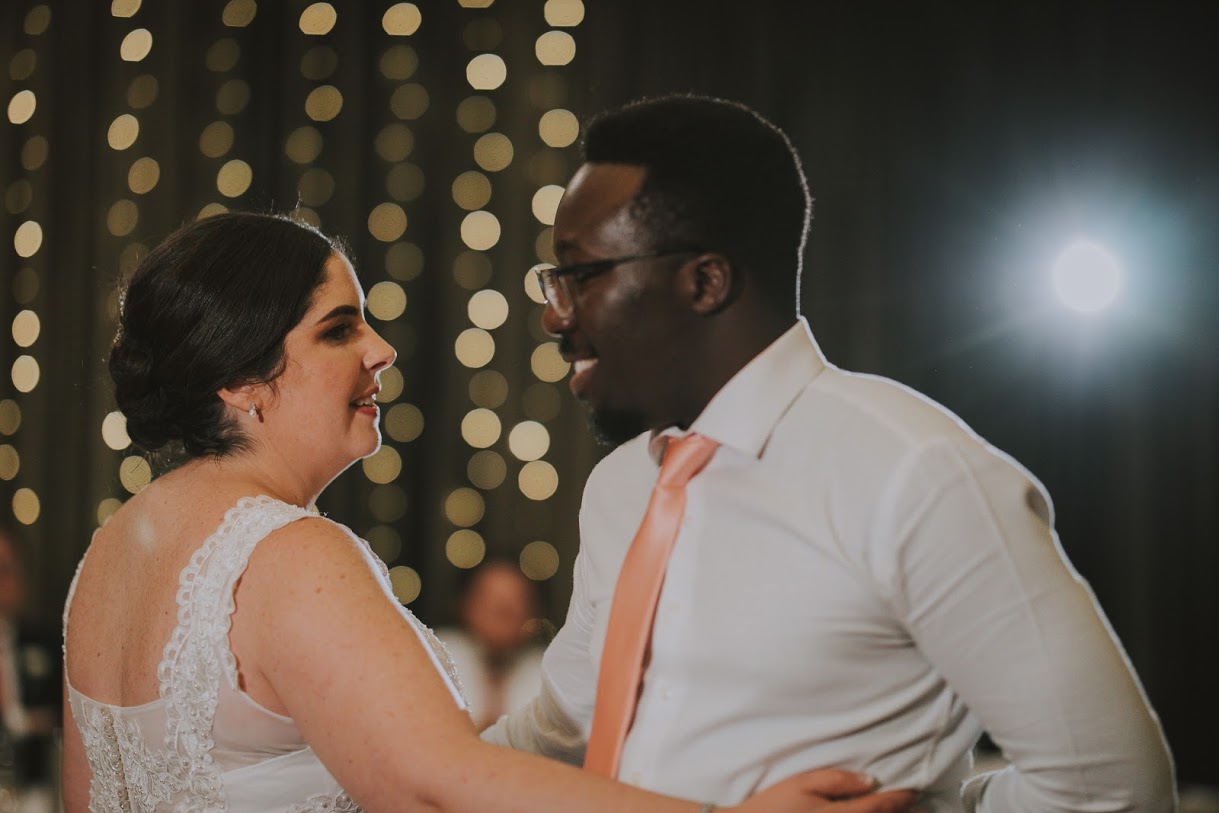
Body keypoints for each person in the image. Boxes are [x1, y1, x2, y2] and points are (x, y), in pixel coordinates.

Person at [60, 211, 918, 813]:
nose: (381, 349)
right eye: (339, 329)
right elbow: (438, 790)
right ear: (242, 379)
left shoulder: (111, 553)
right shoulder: (287, 553)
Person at [483, 95, 1177, 811]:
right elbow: (563, 733)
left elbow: (1113, 788)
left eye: (579, 275)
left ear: (704, 281)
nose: (553, 315)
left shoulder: (915, 473)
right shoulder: (619, 487)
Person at [436, 560, 546, 730]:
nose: (501, 611)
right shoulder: (437, 654)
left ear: (532, 611)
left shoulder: (547, 671)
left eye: (513, 602)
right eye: (490, 599)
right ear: (466, 604)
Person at [0, 523, 59, 813]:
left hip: (33, 789)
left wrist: (29, 721)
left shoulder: (44, 642)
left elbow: (64, 714)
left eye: (4, 571)